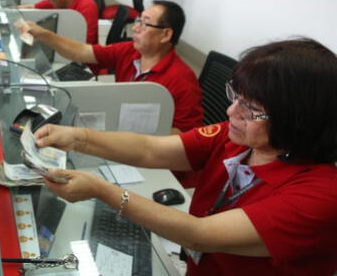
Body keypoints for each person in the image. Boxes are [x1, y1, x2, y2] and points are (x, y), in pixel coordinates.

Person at [36, 38, 337, 275]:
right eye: (236, 97)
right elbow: (150, 149)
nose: (232, 111)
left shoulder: (321, 195)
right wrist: (78, 138)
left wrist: (100, 190)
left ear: (298, 121)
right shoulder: (240, 138)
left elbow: (199, 235)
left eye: (251, 109)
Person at [20, 0, 202, 134]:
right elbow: (82, 52)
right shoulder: (129, 51)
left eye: (145, 24)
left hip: (152, 158)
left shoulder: (182, 79)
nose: (136, 28)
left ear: (165, 35)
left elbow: (185, 136)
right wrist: (45, 35)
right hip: (120, 136)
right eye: (138, 20)